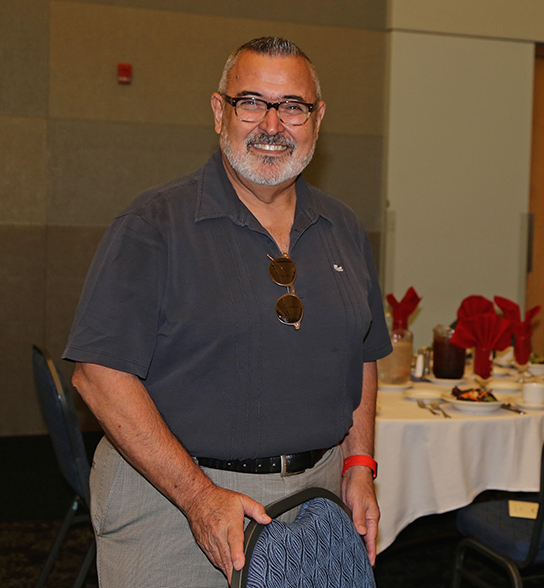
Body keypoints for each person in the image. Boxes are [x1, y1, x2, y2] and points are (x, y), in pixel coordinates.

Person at [63, 37, 392, 586]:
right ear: (220, 112)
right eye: (251, 102)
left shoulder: (344, 228)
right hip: (171, 503)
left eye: (292, 107)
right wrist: (197, 496)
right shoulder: (153, 225)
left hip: (318, 497)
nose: (272, 124)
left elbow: (363, 355)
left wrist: (360, 465)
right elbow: (98, 375)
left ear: (317, 119)